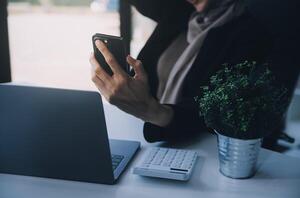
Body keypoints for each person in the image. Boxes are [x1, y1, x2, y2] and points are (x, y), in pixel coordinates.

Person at [89, 0, 299, 143]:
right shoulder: (182, 16)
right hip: (151, 139)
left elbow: (225, 115)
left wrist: (154, 111)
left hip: (206, 152)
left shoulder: (254, 34)